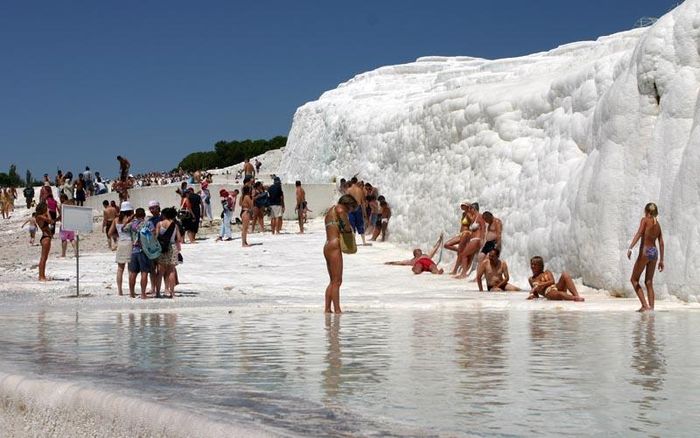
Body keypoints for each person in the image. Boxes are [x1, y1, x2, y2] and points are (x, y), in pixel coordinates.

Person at [323, 194, 359, 313]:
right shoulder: (340, 209)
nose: (351, 211)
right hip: (335, 245)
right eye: (352, 207)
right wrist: (349, 229)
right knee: (337, 281)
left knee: (332, 280)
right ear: (347, 204)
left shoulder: (330, 211)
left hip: (327, 245)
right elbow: (346, 227)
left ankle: (328, 309)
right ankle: (337, 310)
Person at [627, 202, 665, 312]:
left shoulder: (644, 220)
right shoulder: (657, 224)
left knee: (634, 280)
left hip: (645, 251)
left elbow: (639, 233)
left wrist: (630, 247)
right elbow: (661, 243)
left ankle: (645, 305)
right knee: (649, 281)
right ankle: (651, 308)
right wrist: (661, 260)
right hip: (654, 252)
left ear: (646, 211)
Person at [126, 207, 153, 299]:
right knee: (144, 272)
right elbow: (153, 234)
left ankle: (132, 293)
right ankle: (143, 294)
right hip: (144, 251)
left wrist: (129, 219)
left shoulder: (132, 224)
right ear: (144, 215)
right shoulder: (148, 223)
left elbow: (122, 229)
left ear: (136, 215)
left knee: (133, 273)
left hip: (133, 250)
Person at [155, 207, 183, 298]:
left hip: (162, 248)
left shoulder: (159, 224)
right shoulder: (175, 225)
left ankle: (158, 293)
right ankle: (172, 293)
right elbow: (179, 239)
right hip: (172, 247)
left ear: (164, 215)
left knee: (160, 272)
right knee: (171, 271)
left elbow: (156, 237)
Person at [109, 201, 134, 296]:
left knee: (120, 269)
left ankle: (120, 291)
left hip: (121, 243)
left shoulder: (116, 220)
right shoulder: (131, 219)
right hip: (130, 243)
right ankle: (131, 290)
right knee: (130, 269)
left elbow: (110, 233)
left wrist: (119, 235)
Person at [455, 203, 485, 279]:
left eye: (470, 209)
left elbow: (483, 228)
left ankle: (463, 274)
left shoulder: (480, 216)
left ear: (473, 209)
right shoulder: (474, 217)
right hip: (473, 239)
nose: (469, 210)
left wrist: (482, 240)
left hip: (477, 239)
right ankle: (464, 273)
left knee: (464, 254)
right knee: (465, 254)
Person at [35, 202, 53, 281]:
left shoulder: (41, 216)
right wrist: (48, 212)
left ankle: (42, 275)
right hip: (45, 238)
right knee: (43, 258)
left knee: (44, 258)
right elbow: (50, 221)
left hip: (47, 237)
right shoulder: (39, 216)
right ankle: (41, 276)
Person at [347, 179, 368, 245]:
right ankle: (364, 242)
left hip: (351, 208)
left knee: (351, 225)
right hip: (358, 208)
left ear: (351, 182)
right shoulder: (360, 190)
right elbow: (363, 203)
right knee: (360, 225)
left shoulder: (348, 190)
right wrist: (365, 213)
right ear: (356, 182)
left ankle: (353, 242)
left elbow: (346, 201)